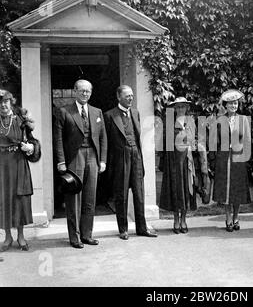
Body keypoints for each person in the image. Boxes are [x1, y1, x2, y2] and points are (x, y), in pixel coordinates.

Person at [54, 79, 107, 249]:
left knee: (90, 197)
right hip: (75, 156)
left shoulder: (97, 112)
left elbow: (103, 138)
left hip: (92, 155)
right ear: (75, 91)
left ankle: (87, 234)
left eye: (88, 91)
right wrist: (61, 161)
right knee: (74, 197)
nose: (85, 94)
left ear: (91, 93)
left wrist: (103, 160)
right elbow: (58, 139)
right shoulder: (64, 111)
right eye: (82, 91)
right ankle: (74, 236)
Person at [104, 85, 157, 240]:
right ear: (119, 97)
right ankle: (123, 229)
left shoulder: (135, 113)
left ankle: (142, 228)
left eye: (132, 95)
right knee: (121, 195)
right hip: (120, 159)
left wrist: (139, 157)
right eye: (127, 96)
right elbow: (106, 142)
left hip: (136, 156)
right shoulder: (109, 115)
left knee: (139, 194)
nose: (131, 98)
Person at [159, 97, 208, 234]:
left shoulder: (191, 121)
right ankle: (175, 220)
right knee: (176, 189)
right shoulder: (169, 122)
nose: (180, 109)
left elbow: (195, 140)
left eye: (183, 106)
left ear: (187, 108)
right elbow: (165, 144)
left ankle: (184, 220)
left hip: (187, 161)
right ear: (175, 108)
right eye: (178, 106)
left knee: (187, 189)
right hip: (173, 162)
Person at [0, 89, 41, 252]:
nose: (3, 105)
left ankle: (21, 236)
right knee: (3, 199)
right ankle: (8, 236)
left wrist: (30, 147)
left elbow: (33, 141)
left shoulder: (21, 121)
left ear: (11, 102)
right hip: (1, 166)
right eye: (0, 102)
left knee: (20, 199)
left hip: (18, 164)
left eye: (5, 101)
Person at [209, 89, 251, 232]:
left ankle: (236, 217)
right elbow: (214, 141)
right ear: (225, 105)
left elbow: (247, 140)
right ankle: (227, 217)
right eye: (231, 103)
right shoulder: (219, 120)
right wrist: (213, 159)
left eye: (236, 103)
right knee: (226, 189)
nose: (234, 106)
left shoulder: (244, 119)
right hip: (224, 157)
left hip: (239, 157)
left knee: (237, 188)